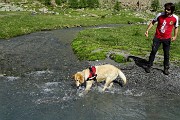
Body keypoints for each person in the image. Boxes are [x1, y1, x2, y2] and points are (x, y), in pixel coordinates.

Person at [145, 2, 179, 75]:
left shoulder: (175, 18)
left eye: (168, 9)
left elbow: (176, 27)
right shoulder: (160, 15)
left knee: (166, 54)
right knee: (153, 51)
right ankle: (149, 66)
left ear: (172, 10)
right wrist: (147, 30)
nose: (166, 11)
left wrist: (175, 36)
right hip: (157, 37)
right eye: (165, 9)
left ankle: (166, 68)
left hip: (167, 39)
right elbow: (153, 22)